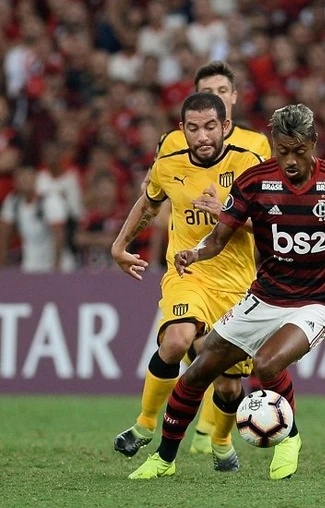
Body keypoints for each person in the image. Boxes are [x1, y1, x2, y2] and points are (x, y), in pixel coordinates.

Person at [126, 103, 325, 480]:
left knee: (267, 363)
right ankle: (164, 459)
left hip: (318, 301)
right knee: (197, 372)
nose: (289, 161)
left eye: (299, 151)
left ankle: (290, 438)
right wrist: (195, 253)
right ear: (273, 145)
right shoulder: (254, 182)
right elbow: (220, 238)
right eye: (282, 150)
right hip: (265, 296)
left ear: (313, 143)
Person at [110, 92, 264, 472]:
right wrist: (119, 245)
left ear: (226, 126)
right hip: (187, 273)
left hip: (236, 285)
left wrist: (226, 214)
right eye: (193, 128)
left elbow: (270, 225)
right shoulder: (168, 165)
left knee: (228, 386)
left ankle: (222, 439)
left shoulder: (250, 165)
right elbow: (148, 204)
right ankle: (145, 424)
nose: (203, 136)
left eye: (211, 126)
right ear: (183, 130)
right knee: (177, 338)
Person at [151, 60, 273, 455]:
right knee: (186, 341)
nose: (215, 99)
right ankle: (169, 429)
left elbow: (269, 213)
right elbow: (154, 196)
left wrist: (232, 214)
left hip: (240, 268)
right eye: (208, 91)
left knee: (226, 374)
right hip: (193, 266)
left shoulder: (255, 146)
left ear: (233, 98)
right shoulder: (172, 145)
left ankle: (215, 434)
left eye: (222, 92)